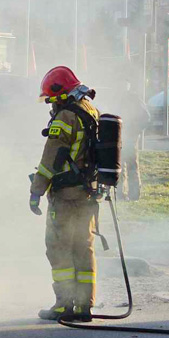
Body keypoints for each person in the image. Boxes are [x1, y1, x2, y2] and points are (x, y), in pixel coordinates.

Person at [29, 66, 100, 323]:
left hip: (66, 196)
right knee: (84, 247)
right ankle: (84, 305)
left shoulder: (64, 118)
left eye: (51, 99)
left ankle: (63, 305)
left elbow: (50, 161)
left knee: (59, 248)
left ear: (60, 95)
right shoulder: (91, 111)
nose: (50, 105)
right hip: (89, 196)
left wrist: (36, 190)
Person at [113, 77, 150, 202]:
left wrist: (135, 132)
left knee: (131, 164)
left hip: (130, 137)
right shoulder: (116, 99)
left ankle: (134, 194)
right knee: (119, 163)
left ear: (127, 85)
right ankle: (120, 194)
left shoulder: (134, 98)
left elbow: (145, 117)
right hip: (118, 136)